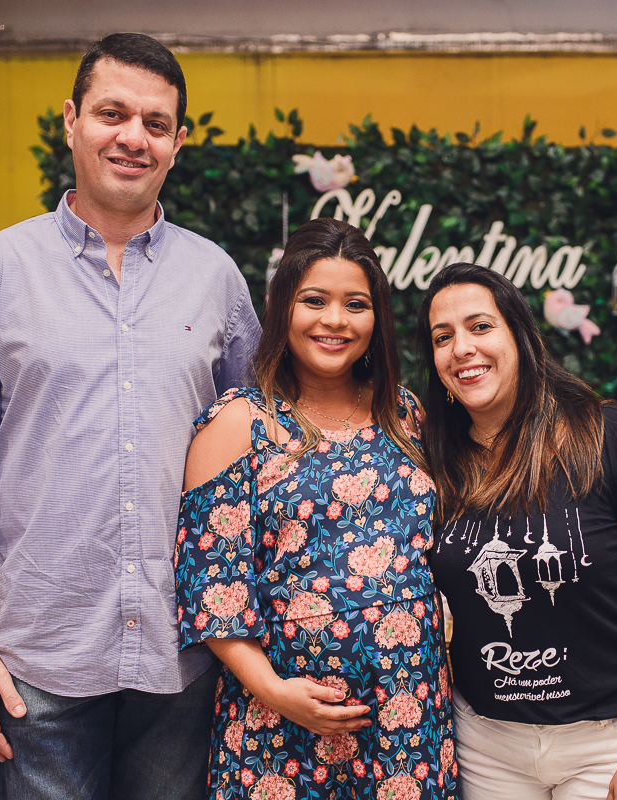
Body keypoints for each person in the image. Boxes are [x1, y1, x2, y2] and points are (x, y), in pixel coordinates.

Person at [0, 33, 260, 800]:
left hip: (186, 657)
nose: (133, 137)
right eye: (113, 113)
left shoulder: (216, 279)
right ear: (71, 120)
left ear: (178, 141)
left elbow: (257, 461)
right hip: (38, 665)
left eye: (156, 122)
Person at [175, 217, 458, 800]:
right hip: (280, 731)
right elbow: (210, 589)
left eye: (355, 303)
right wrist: (275, 691)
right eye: (314, 301)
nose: (335, 320)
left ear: (376, 317)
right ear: (281, 307)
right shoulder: (239, 423)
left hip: (410, 723)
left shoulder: (406, 417)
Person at [417, 263, 617, 800]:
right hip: (486, 742)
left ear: (521, 336)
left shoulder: (613, 438)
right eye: (442, 337)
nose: (461, 349)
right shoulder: (434, 459)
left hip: (614, 740)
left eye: (480, 327)